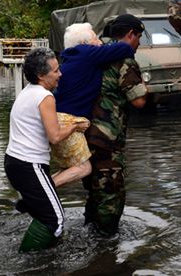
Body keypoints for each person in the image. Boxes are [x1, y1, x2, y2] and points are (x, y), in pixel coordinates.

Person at [4, 48, 89, 252]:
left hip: (15, 163)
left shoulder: (28, 91)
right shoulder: (44, 97)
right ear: (42, 76)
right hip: (28, 165)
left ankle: (47, 254)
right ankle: (26, 260)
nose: (60, 74)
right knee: (55, 220)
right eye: (56, 71)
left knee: (47, 217)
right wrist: (76, 126)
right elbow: (55, 136)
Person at [83, 14, 148, 236]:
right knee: (111, 194)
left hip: (82, 135)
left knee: (94, 190)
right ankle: (107, 252)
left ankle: (90, 237)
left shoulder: (92, 50)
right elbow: (139, 101)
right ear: (130, 34)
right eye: (139, 37)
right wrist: (143, 84)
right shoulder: (124, 59)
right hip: (107, 139)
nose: (139, 43)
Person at [51, 22, 136, 187]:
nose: (100, 42)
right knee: (84, 168)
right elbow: (126, 48)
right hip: (69, 121)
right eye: (95, 38)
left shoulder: (69, 58)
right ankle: (38, 195)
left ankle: (34, 192)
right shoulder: (85, 53)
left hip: (57, 120)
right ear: (84, 43)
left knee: (69, 169)